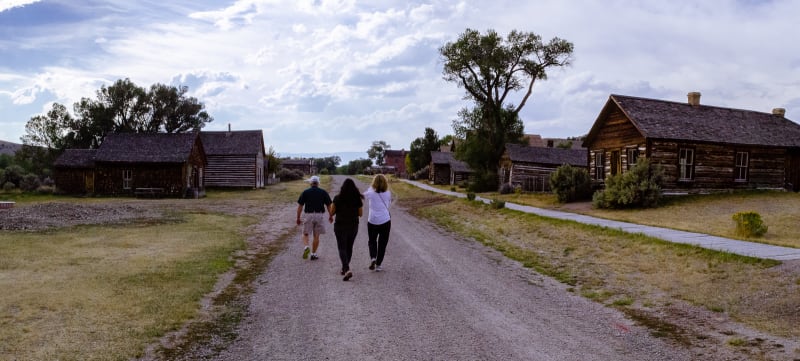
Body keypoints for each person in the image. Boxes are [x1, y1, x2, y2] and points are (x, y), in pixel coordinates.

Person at [329, 178, 363, 281]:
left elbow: (332, 212)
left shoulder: (337, 198)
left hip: (340, 226)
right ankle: (345, 268)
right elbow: (360, 214)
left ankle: (346, 268)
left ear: (342, 188)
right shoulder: (357, 199)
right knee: (349, 247)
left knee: (342, 247)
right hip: (353, 226)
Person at [296, 175, 332, 260]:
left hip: (308, 215)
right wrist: (331, 215)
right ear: (318, 183)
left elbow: (300, 206)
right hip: (319, 215)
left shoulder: (305, 192)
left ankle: (306, 247)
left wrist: (298, 217)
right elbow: (329, 205)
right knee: (316, 235)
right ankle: (313, 253)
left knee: (305, 233)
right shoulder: (323, 192)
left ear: (310, 183)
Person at [363, 174, 392, 272]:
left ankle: (373, 258)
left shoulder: (370, 193)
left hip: (372, 221)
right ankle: (379, 265)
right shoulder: (388, 193)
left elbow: (363, 196)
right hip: (385, 220)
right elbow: (388, 204)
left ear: (374, 183)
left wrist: (372, 187)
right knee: (382, 243)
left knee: (372, 241)